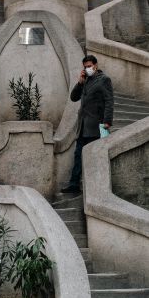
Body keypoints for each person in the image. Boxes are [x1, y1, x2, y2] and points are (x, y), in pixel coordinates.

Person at [62, 55, 114, 194]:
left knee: (94, 157)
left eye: (89, 66)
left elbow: (109, 101)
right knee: (78, 155)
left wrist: (107, 121)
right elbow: (73, 98)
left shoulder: (104, 80)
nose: (87, 68)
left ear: (96, 65)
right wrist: (79, 83)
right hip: (83, 126)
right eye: (85, 66)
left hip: (96, 125)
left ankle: (96, 187)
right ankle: (74, 184)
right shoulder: (85, 80)